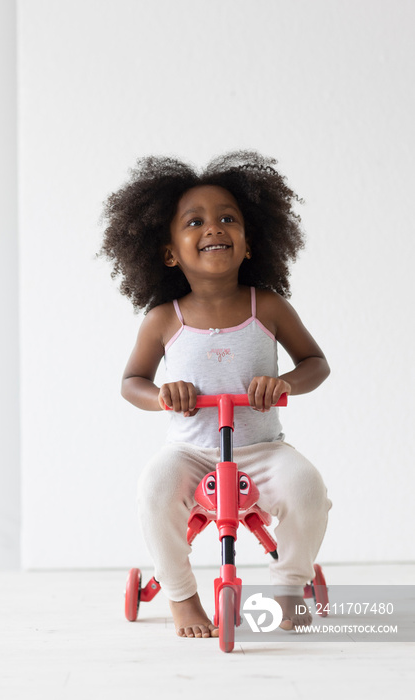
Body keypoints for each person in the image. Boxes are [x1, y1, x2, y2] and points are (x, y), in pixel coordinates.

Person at [100, 151, 332, 639]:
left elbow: (316, 363)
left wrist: (285, 383)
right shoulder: (164, 319)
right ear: (169, 252)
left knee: (307, 490)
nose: (214, 228)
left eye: (228, 218)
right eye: (195, 221)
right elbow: (131, 382)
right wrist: (162, 394)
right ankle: (182, 597)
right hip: (191, 452)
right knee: (155, 490)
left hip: (262, 449)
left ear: (250, 244)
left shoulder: (267, 306)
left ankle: (290, 586)